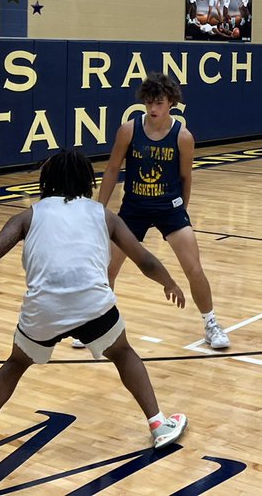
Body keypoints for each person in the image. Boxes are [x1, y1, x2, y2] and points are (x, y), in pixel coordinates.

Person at [0, 149, 189, 477]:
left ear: (46, 182)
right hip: (92, 305)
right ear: (87, 182)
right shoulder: (103, 214)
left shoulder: (29, 216)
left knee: (15, 364)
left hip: (44, 310)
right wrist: (168, 281)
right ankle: (158, 426)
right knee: (123, 353)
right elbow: (145, 260)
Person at [95, 73, 231, 349]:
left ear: (171, 102)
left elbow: (186, 178)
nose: (153, 108)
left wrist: (182, 211)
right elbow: (111, 170)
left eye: (158, 102)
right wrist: (98, 210)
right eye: (149, 103)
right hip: (133, 208)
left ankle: (211, 323)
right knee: (108, 268)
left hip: (169, 208)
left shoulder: (183, 136)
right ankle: (97, 326)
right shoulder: (128, 130)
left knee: (193, 268)